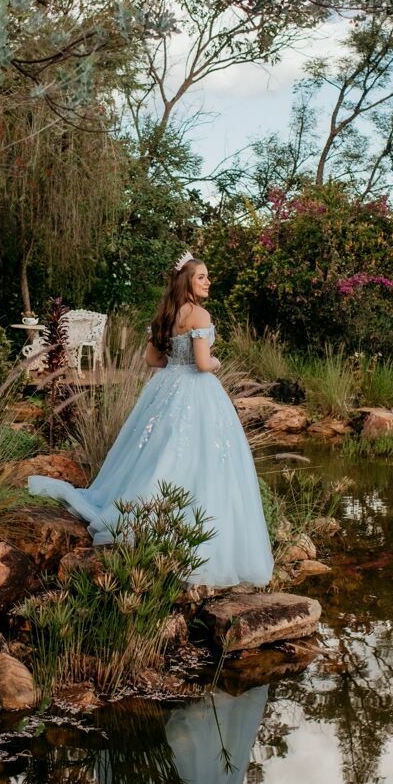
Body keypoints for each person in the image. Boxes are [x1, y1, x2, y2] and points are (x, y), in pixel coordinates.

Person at [27, 252, 274, 588]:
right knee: (202, 457)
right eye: (202, 276)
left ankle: (147, 514)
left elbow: (152, 359)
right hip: (197, 389)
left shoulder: (165, 315)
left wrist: (177, 361)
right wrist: (214, 360)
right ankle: (197, 537)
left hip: (166, 387)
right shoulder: (200, 314)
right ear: (188, 281)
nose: (208, 281)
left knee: (160, 451)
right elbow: (202, 364)